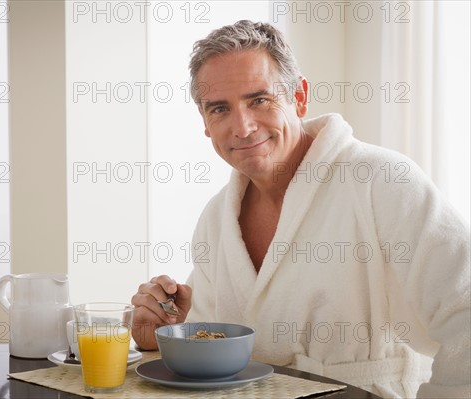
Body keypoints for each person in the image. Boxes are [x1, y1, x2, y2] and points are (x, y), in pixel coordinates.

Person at [130, 20, 470, 398]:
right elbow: (213, 354)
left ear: (300, 97)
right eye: (220, 109)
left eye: (259, 100)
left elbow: (466, 308)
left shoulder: (383, 180)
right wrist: (164, 336)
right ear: (205, 123)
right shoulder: (216, 220)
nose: (242, 127)